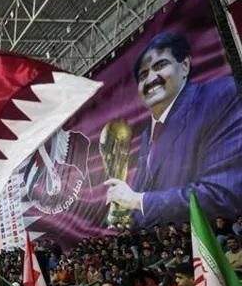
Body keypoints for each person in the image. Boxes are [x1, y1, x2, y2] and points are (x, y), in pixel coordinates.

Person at [104, 32, 242, 227]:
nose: (150, 79)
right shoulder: (147, 134)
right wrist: (126, 213)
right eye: (143, 75)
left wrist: (137, 201)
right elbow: (144, 195)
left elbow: (223, 193)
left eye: (160, 65)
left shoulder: (219, 95)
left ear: (184, 66)